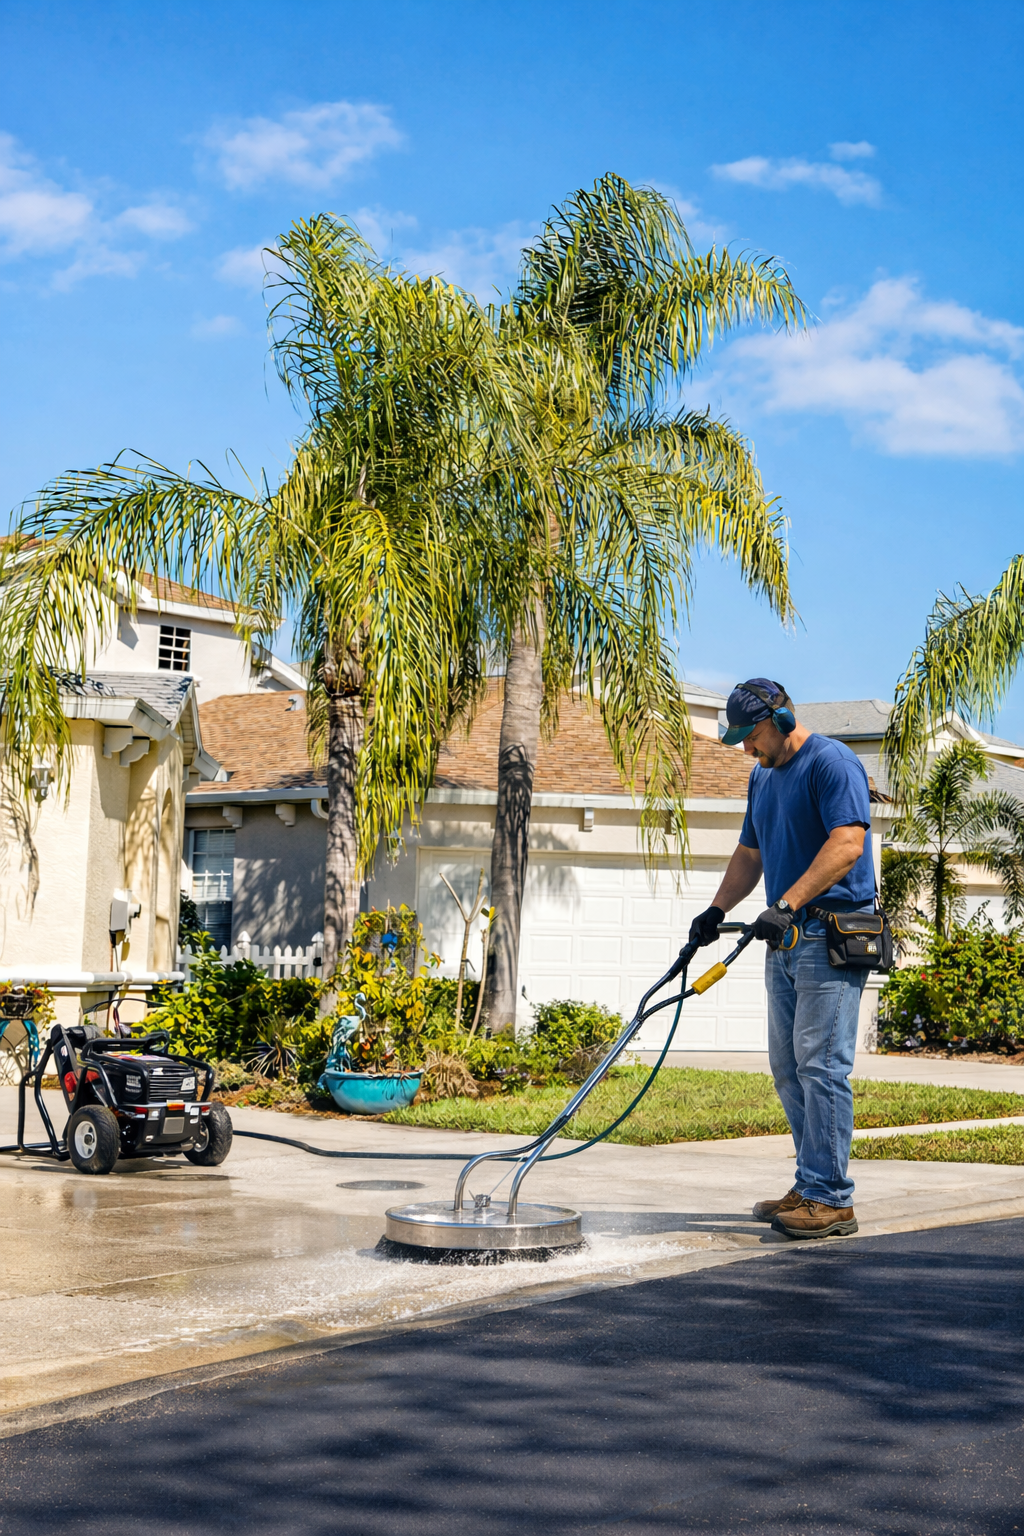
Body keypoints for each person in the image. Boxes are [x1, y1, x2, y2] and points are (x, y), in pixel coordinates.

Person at [689, 679, 876, 1239]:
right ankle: (811, 1181)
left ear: (784, 719)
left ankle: (832, 1200)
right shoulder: (761, 778)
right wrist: (716, 911)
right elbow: (750, 853)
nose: (747, 749)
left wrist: (790, 902)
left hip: (829, 935)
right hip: (787, 940)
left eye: (752, 736)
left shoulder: (832, 763)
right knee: (789, 1068)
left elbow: (847, 843)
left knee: (822, 1067)